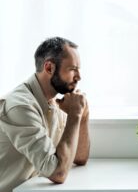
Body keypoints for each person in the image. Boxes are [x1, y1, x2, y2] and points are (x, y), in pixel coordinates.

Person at [0, 37, 90, 192]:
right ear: (49, 68)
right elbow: (58, 173)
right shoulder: (20, 106)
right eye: (73, 69)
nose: (79, 77)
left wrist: (83, 115)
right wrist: (74, 115)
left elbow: (79, 158)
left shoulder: (57, 101)